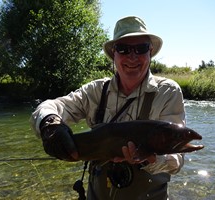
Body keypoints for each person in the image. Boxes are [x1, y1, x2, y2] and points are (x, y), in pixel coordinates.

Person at [30, 16, 185, 200]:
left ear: (150, 52)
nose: (132, 57)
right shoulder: (95, 91)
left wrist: (150, 158)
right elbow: (49, 106)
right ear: (114, 54)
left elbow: (177, 160)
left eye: (141, 48)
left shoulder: (168, 92)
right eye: (123, 49)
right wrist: (50, 124)